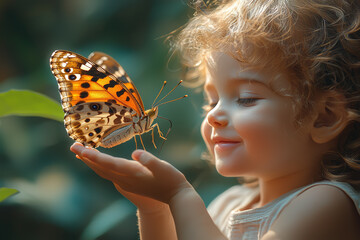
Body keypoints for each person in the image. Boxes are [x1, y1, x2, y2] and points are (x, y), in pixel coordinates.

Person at [70, 0, 360, 239]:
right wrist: (155, 208)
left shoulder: (326, 203)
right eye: (211, 101)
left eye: (246, 98)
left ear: (324, 116)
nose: (214, 114)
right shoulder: (227, 205)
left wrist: (180, 196)